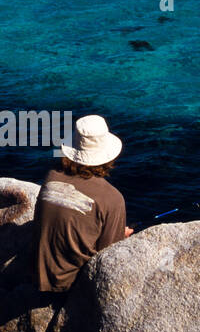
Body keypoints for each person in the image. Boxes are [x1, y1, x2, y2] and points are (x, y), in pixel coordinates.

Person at [35, 114, 133, 292]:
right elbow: (108, 254)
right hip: (71, 284)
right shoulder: (113, 198)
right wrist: (122, 235)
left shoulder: (52, 176)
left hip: (38, 271)